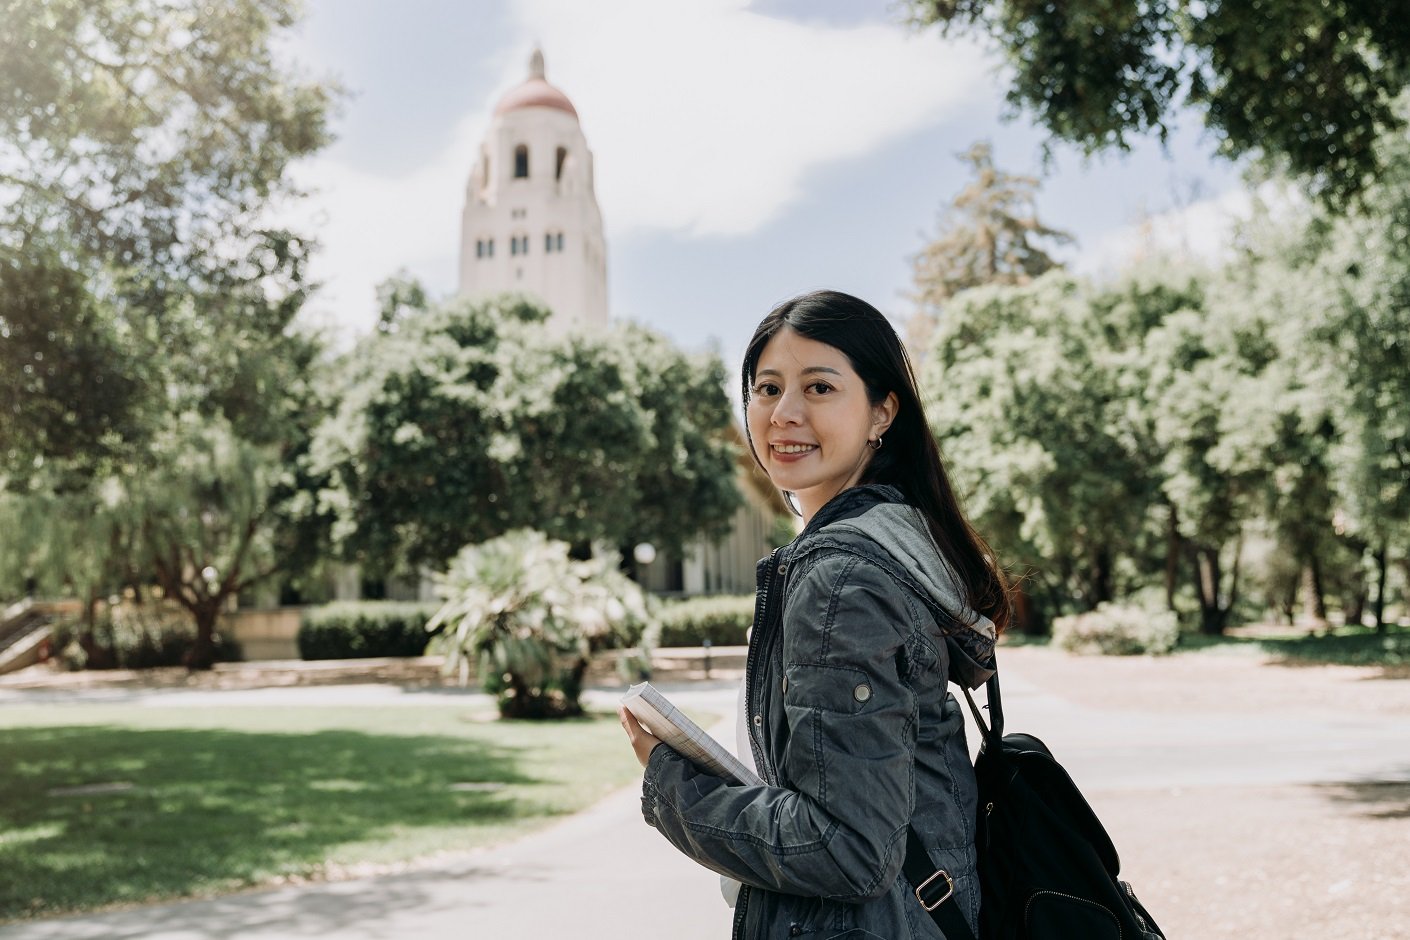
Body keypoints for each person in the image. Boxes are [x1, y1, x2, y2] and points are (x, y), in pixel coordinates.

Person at [619, 289, 1010, 939]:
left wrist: (672, 781)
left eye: (820, 388)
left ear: (883, 412)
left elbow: (847, 847)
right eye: (767, 388)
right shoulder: (900, 549)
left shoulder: (842, 581)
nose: (784, 413)